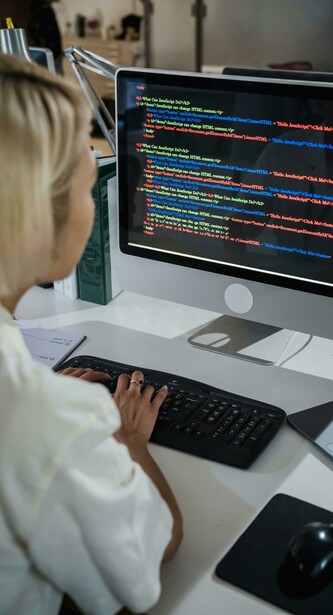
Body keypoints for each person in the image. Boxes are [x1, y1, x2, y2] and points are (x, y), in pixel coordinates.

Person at [0, 54, 183, 615]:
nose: (96, 205)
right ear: (38, 212)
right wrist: (124, 439)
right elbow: (154, 553)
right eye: (89, 187)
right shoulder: (44, 419)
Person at [28, 0, 64, 74]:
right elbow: (36, 31)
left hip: (53, 53)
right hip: (44, 53)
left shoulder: (47, 9)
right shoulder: (37, 9)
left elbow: (54, 32)